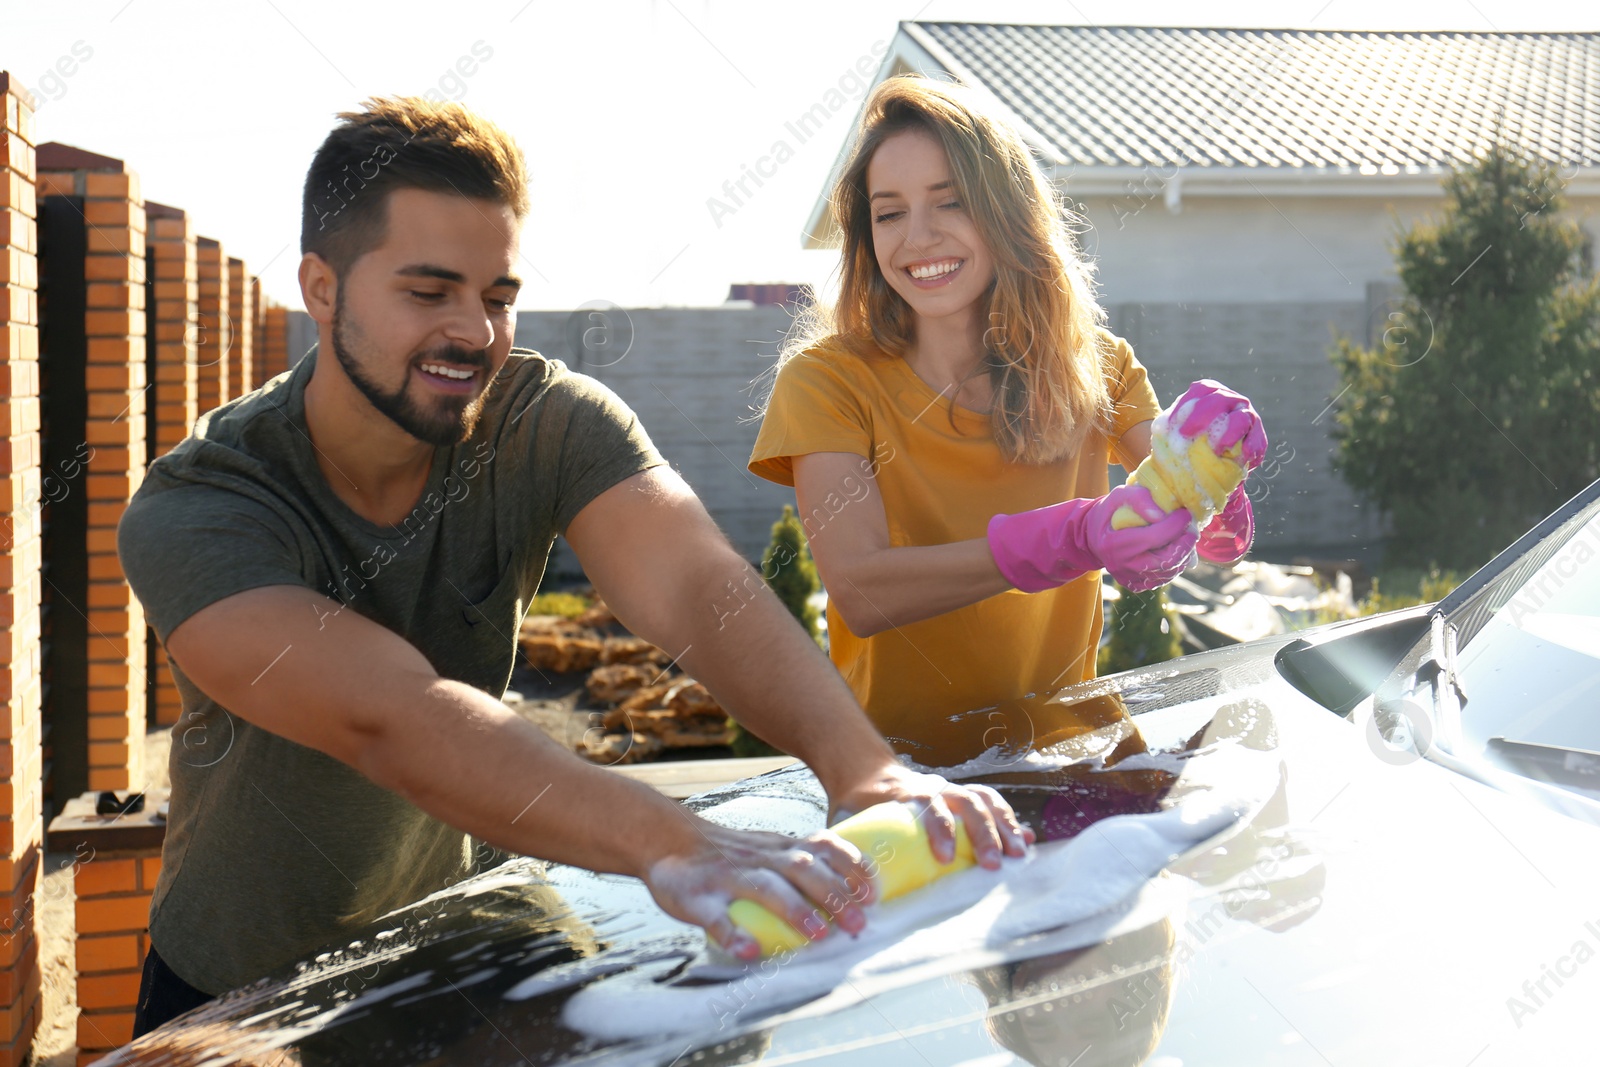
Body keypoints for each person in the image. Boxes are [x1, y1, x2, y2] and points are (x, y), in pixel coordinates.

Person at [116, 96, 1031, 1038]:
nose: (474, 332)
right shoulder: (203, 507)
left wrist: (867, 771)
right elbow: (388, 715)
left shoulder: (541, 420)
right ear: (321, 287)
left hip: (443, 947)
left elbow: (699, 588)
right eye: (429, 293)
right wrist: (670, 841)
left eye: (498, 296)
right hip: (241, 997)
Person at [749, 76, 1265, 765]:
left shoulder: (1098, 365)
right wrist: (1073, 535)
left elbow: (1170, 500)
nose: (918, 238)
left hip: (1068, 757)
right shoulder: (826, 382)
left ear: (1006, 212)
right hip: (902, 779)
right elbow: (862, 587)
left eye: (949, 201)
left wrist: (1214, 485)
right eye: (889, 213)